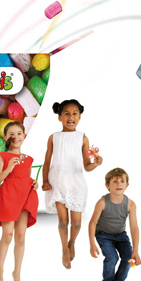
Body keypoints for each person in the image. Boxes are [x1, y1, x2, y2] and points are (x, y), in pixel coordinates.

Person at [42, 99, 103, 269]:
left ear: (80, 117)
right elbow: (47, 162)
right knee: (63, 221)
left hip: (76, 182)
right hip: (57, 180)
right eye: (67, 114)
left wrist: (95, 164)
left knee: (76, 223)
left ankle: (72, 242)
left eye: (75, 114)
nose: (71, 117)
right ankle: (64, 249)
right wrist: (45, 181)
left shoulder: (82, 138)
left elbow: (86, 166)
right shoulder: (53, 137)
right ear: (59, 117)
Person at [0, 121, 38, 281]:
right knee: (7, 235)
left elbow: (25, 177)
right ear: (5, 138)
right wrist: (9, 168)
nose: (16, 137)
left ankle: (16, 273)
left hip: (25, 197)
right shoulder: (2, 156)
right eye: (11, 134)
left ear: (24, 136)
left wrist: (34, 183)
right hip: (9, 196)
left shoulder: (28, 159)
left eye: (19, 133)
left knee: (20, 236)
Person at [89, 167, 141, 281]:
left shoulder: (131, 204)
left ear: (127, 185)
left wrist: (135, 250)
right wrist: (92, 244)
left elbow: (134, 228)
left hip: (120, 235)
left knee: (128, 257)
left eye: (122, 181)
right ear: (107, 185)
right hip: (103, 235)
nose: (119, 184)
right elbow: (92, 223)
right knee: (112, 257)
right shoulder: (102, 202)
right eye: (115, 181)